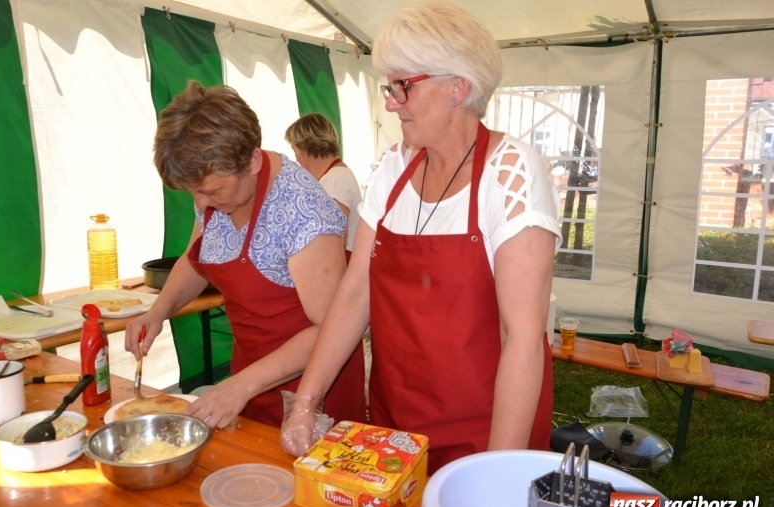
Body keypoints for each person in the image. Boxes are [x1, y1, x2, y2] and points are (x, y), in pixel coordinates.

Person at [280, 0, 561, 475]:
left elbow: (522, 339)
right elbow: (354, 294)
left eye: (403, 87)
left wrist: (490, 478)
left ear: (458, 87)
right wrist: (307, 398)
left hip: (488, 431)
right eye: (388, 87)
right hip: (394, 422)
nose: (391, 102)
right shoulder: (393, 167)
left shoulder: (510, 173)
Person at [125, 81, 366, 430]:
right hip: (250, 378)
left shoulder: (302, 210)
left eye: (209, 191)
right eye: (193, 192)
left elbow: (332, 327)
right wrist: (158, 311)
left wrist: (241, 385)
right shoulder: (214, 192)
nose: (200, 204)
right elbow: (196, 260)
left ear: (252, 161)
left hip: (311, 393)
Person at [285, 113, 362, 261]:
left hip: (343, 266)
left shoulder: (335, 180)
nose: (295, 157)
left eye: (294, 150)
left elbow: (337, 240)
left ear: (304, 149)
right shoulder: (335, 176)